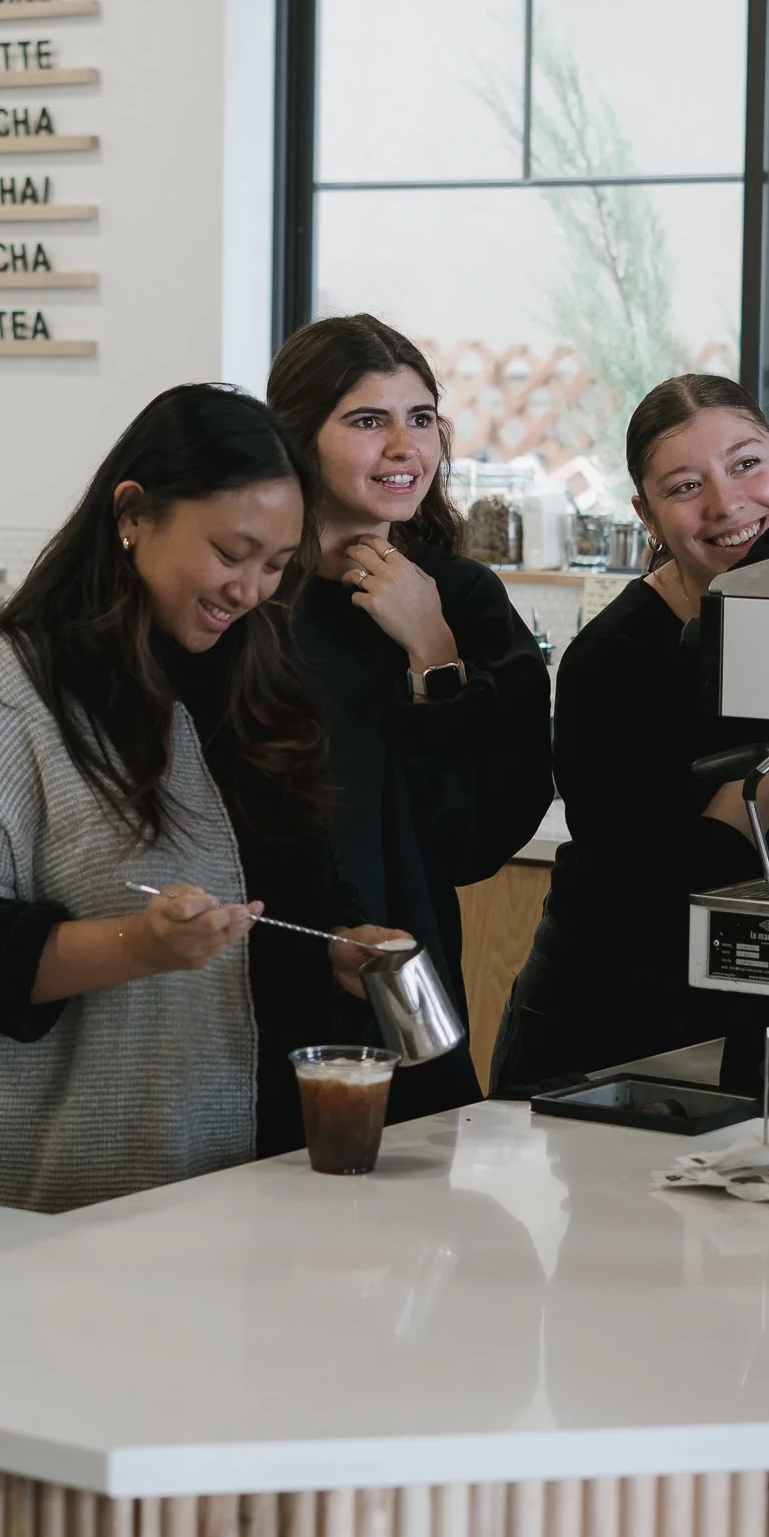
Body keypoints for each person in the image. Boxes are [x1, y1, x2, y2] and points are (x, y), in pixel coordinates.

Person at [0, 384, 404, 1213]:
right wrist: (140, 946)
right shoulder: (2, 691)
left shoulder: (255, 674)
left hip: (249, 1184)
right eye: (230, 553)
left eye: (275, 564)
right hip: (61, 1213)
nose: (251, 590)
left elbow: (272, 904)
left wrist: (331, 945)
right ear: (133, 513)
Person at [490, 372, 769, 1096]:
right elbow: (663, 890)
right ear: (644, 515)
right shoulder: (610, 665)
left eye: (747, 464)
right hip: (611, 1034)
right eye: (684, 487)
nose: (727, 504)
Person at [267, 314, 554, 1117]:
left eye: (421, 419)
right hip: (249, 987)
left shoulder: (463, 602)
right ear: (297, 435)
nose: (405, 447)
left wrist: (431, 654)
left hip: (404, 992)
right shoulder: (244, 601)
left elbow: (479, 837)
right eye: (368, 421)